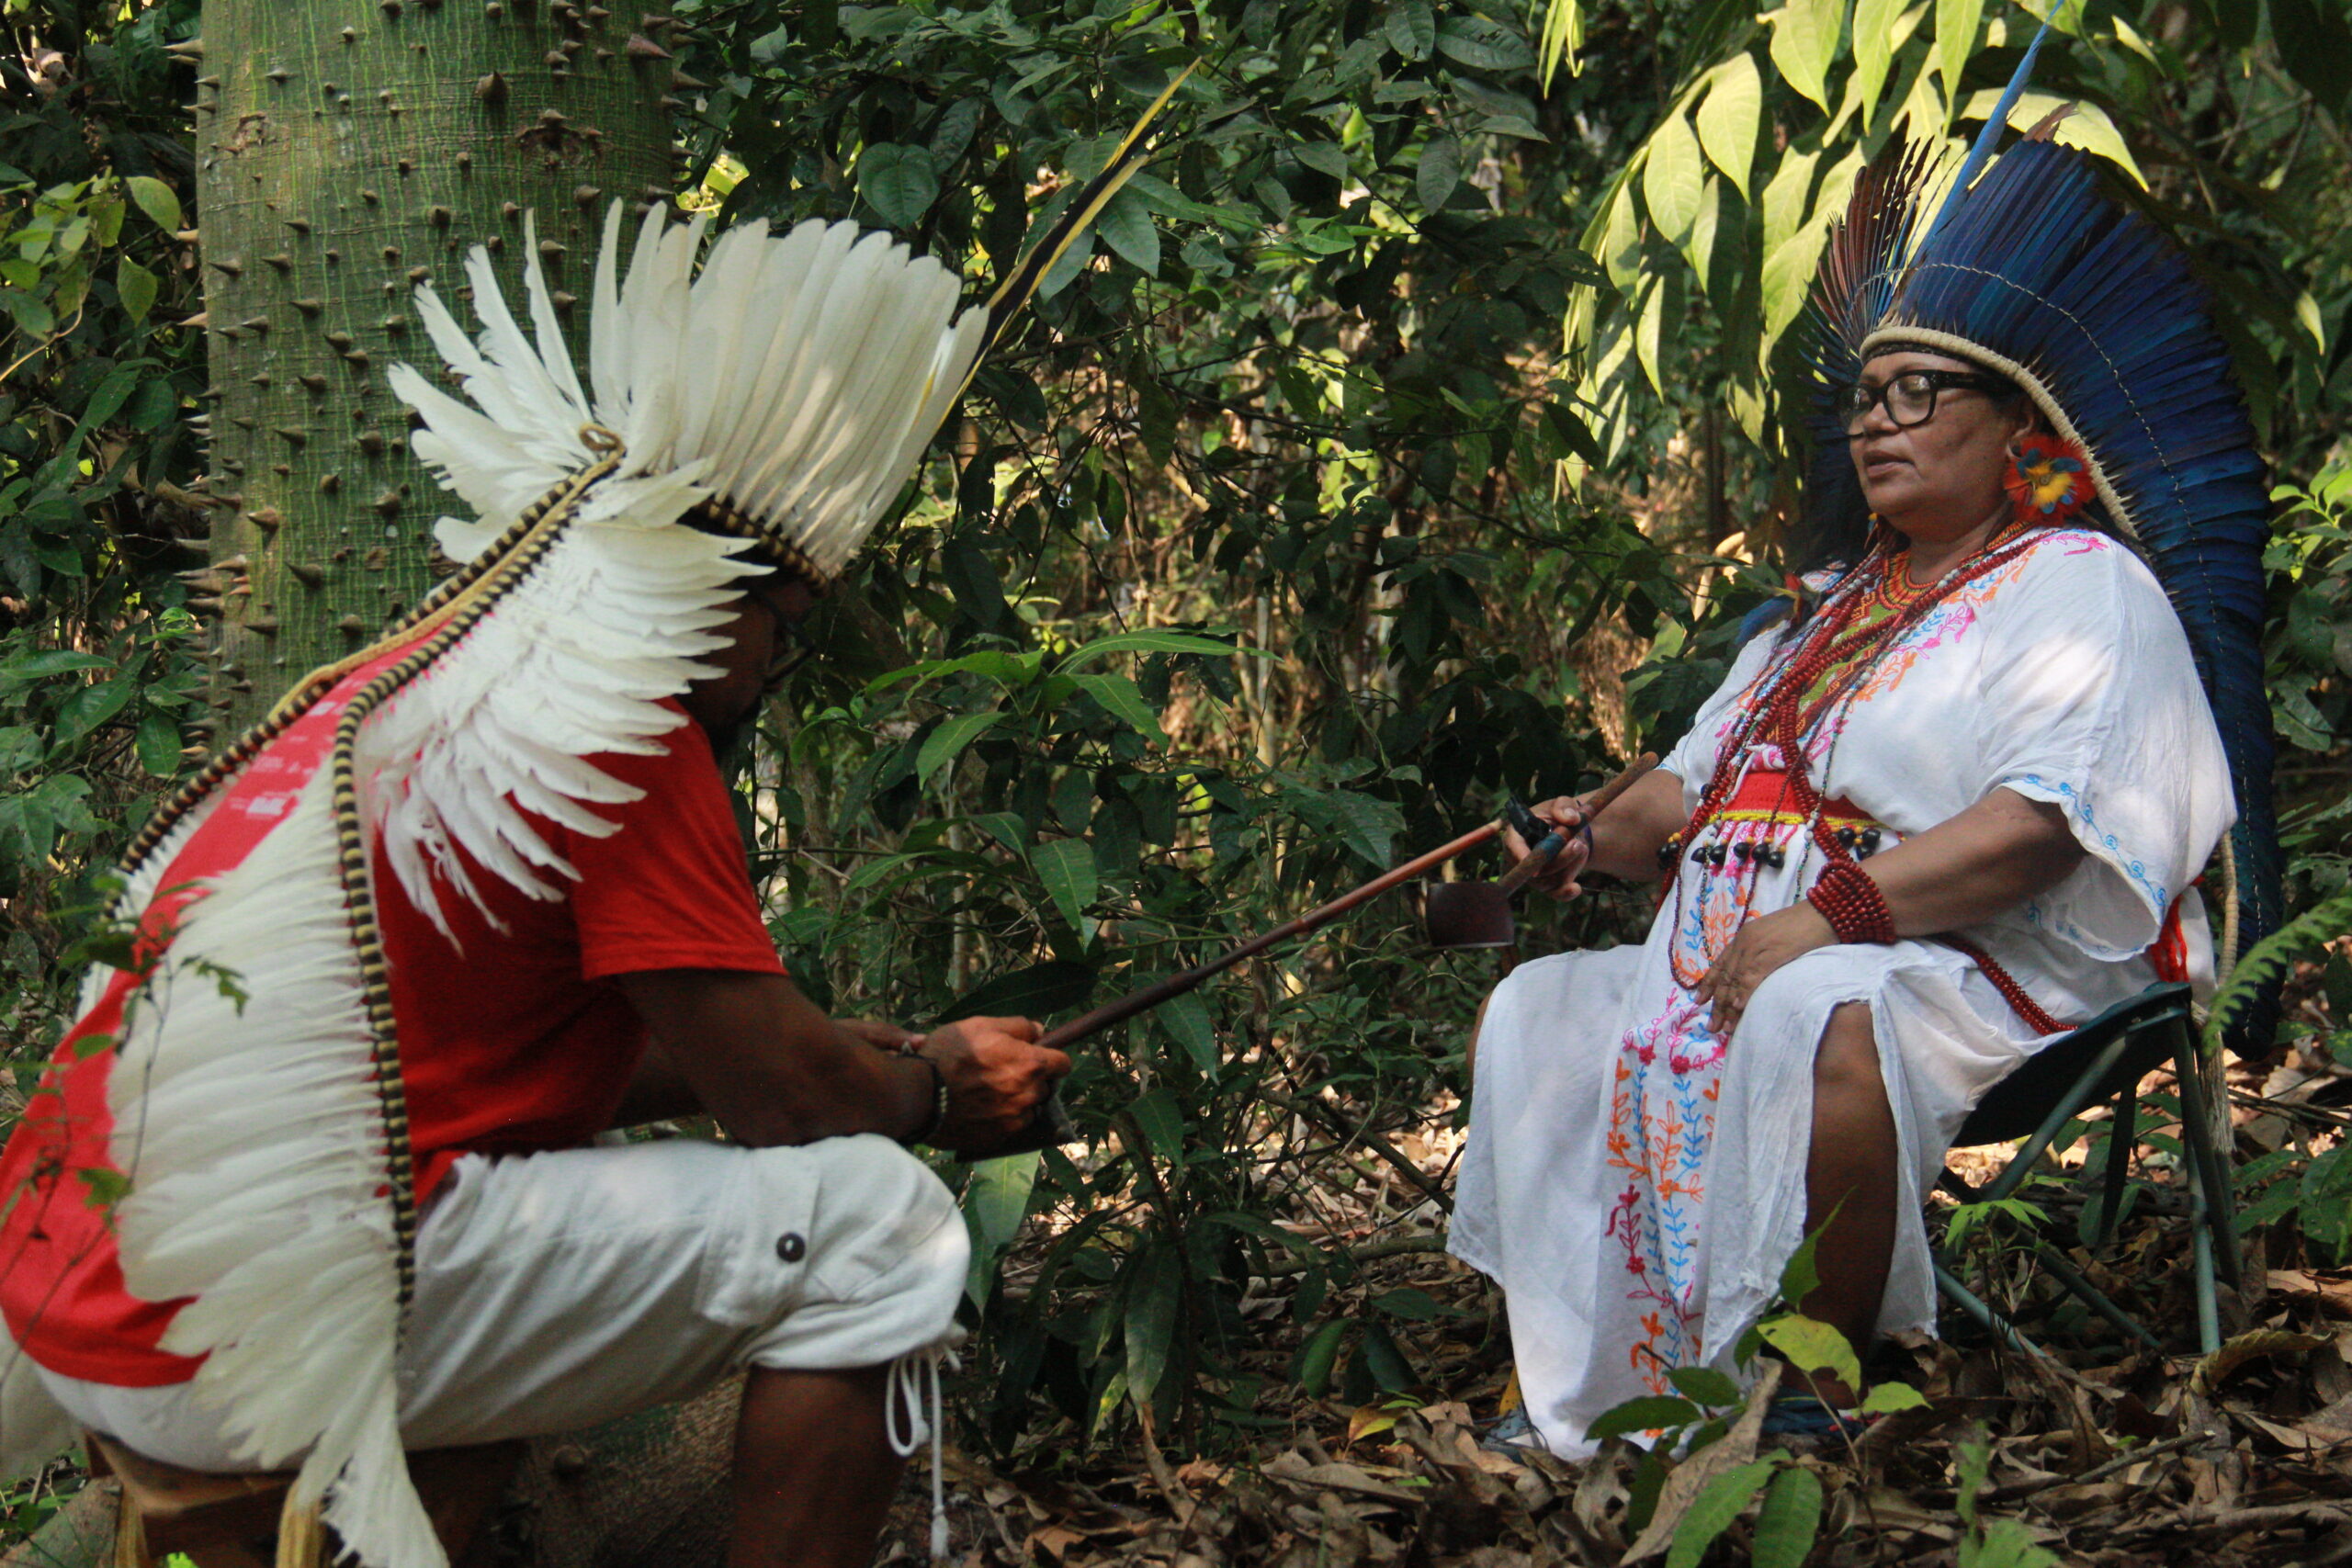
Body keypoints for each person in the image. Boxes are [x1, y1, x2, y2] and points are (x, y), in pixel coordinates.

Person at [0, 207, 1070, 1568]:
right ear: (716, 591)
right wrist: (930, 1089)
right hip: (213, 1329)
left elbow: (478, 1072)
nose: (764, 673)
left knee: (555, 1181)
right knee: (884, 1229)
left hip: (84, 1291)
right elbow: (793, 1109)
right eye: (779, 630)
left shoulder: (413, 688)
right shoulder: (623, 726)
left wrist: (858, 1057)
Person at [1448, 130, 2278, 1454]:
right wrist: (1588, 834)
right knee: (1545, 1006)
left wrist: (1831, 913)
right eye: (1867, 397)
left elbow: (2042, 827)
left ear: (2020, 423)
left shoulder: (2081, 587)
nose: (1880, 421)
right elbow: (1690, 789)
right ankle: (1593, 1388)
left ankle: (1804, 1395)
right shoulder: (1814, 616)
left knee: (1822, 1012)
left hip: (1969, 960)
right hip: (1741, 951)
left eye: (1922, 392)